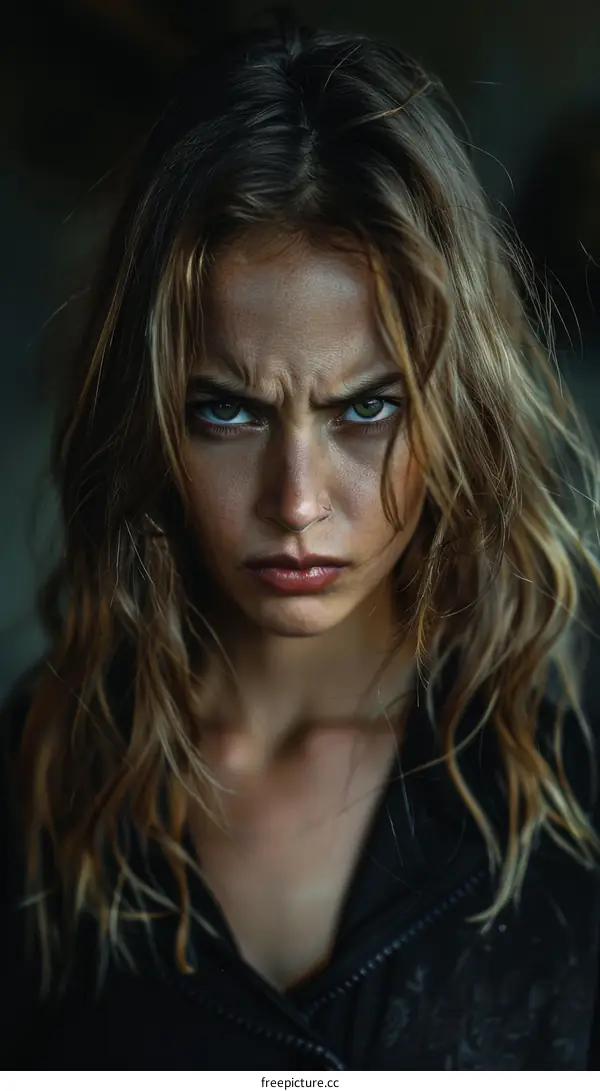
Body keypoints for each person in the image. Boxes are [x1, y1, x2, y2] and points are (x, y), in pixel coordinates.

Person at [1, 16, 600, 1071]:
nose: (297, 500)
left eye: (366, 409)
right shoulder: (35, 779)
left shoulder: (572, 774)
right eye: (226, 411)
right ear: (149, 419)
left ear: (457, 409)